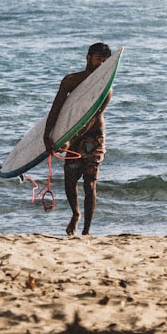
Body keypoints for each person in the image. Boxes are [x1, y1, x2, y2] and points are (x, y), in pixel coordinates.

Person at [44, 42, 113, 236]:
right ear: (88, 57)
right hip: (71, 135)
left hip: (94, 137)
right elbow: (56, 108)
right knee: (69, 181)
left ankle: (86, 231)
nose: (101, 64)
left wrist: (69, 139)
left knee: (90, 182)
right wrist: (47, 135)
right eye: (98, 58)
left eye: (105, 61)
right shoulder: (71, 81)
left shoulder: (106, 89)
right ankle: (75, 214)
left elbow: (91, 119)